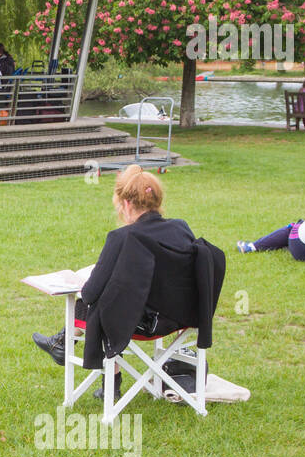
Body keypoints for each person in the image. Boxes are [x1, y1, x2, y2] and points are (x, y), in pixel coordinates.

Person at [31, 165, 225, 397]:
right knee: (113, 297)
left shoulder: (123, 237)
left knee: (98, 302)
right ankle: (65, 346)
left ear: (126, 204)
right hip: (180, 317)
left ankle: (104, 380)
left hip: (142, 323)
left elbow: (91, 293)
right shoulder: (181, 228)